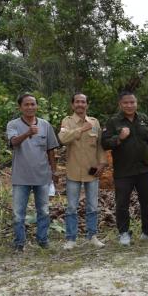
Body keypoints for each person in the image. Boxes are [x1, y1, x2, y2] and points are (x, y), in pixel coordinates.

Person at [101, 91, 148, 246]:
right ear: (120, 104)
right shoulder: (114, 121)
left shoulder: (144, 119)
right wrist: (119, 138)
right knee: (122, 203)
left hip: (144, 169)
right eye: (126, 103)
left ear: (136, 103)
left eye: (132, 102)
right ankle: (123, 233)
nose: (129, 105)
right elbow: (104, 143)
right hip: (123, 171)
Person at [6, 93, 60, 251]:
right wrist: (27, 133)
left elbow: (51, 150)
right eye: (26, 104)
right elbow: (13, 142)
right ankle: (19, 244)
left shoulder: (45, 125)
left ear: (37, 106)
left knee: (43, 211)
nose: (30, 107)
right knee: (18, 213)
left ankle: (43, 240)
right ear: (20, 107)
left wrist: (54, 171)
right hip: (20, 176)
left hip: (42, 176)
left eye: (32, 104)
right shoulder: (13, 124)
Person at [58, 93, 107, 250]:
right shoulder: (67, 121)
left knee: (92, 206)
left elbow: (99, 145)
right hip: (73, 171)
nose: (80, 104)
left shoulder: (94, 122)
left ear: (87, 105)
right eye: (77, 102)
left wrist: (102, 163)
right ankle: (71, 239)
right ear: (73, 105)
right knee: (72, 207)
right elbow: (63, 139)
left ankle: (92, 236)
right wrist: (80, 129)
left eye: (83, 102)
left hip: (92, 171)